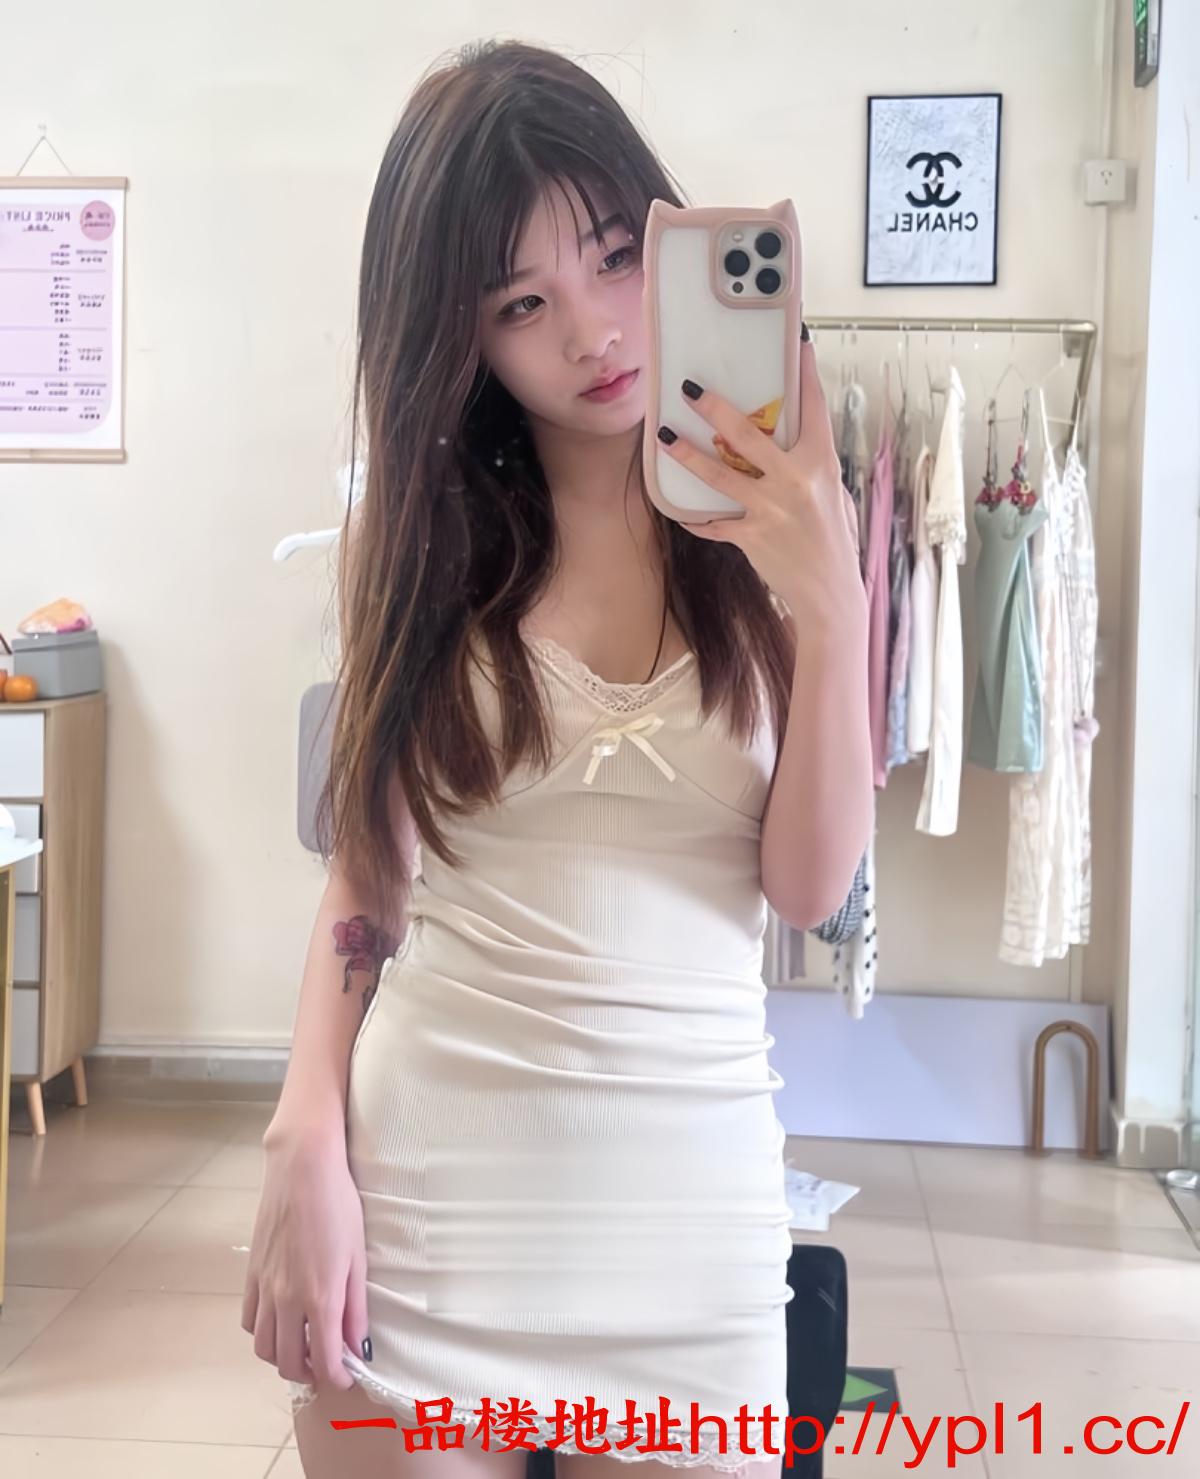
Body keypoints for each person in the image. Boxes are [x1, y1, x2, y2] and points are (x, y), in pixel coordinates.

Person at [241, 37, 872, 1479]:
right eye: (522, 303)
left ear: (668, 233)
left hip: (691, 1222)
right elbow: (366, 881)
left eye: (613, 258)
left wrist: (833, 608)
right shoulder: (419, 545)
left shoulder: (784, 520)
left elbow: (807, 886)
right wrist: (303, 1131)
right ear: (461, 337)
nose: (592, 333)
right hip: (428, 1211)